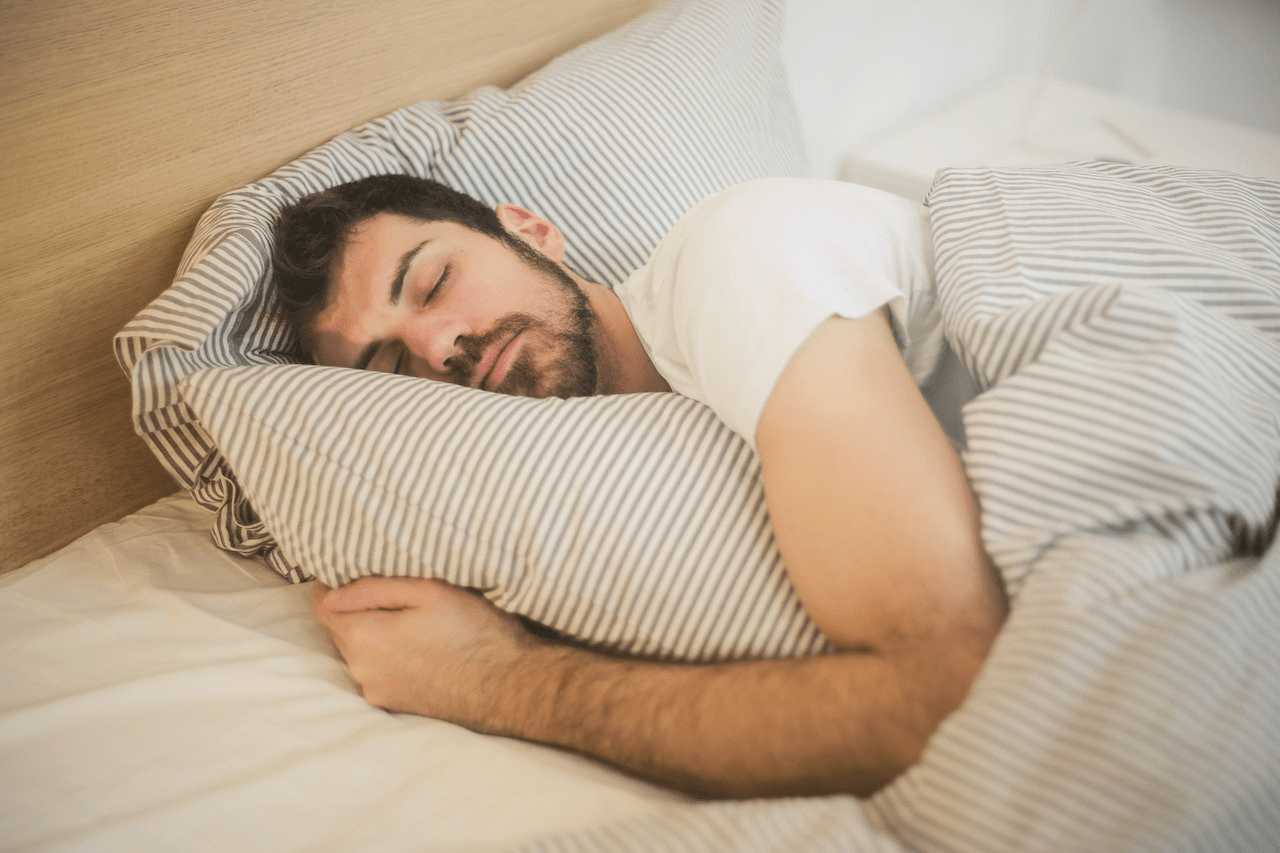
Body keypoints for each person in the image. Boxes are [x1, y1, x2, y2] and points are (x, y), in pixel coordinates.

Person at [270, 173, 1008, 799]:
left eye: (433, 282)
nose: (437, 348)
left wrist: (495, 680)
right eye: (392, 367)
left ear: (529, 232)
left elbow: (948, 695)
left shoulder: (737, 261)